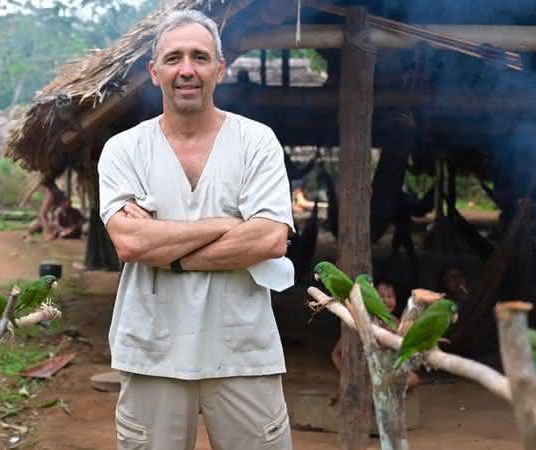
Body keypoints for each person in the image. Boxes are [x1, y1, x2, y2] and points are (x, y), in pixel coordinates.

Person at [98, 10, 294, 450]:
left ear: (219, 70)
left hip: (243, 352)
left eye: (200, 57)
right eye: (173, 58)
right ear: (154, 72)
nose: (186, 69)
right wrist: (231, 226)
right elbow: (129, 242)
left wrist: (168, 252)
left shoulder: (256, 142)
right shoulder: (124, 150)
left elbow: (271, 239)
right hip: (152, 353)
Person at [331, 278, 421, 389]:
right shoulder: (361, 321)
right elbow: (336, 353)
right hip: (365, 372)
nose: (386, 300)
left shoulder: (396, 323)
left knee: (413, 379)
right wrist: (347, 375)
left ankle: (381, 387)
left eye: (390, 296)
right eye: (380, 297)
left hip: (387, 372)